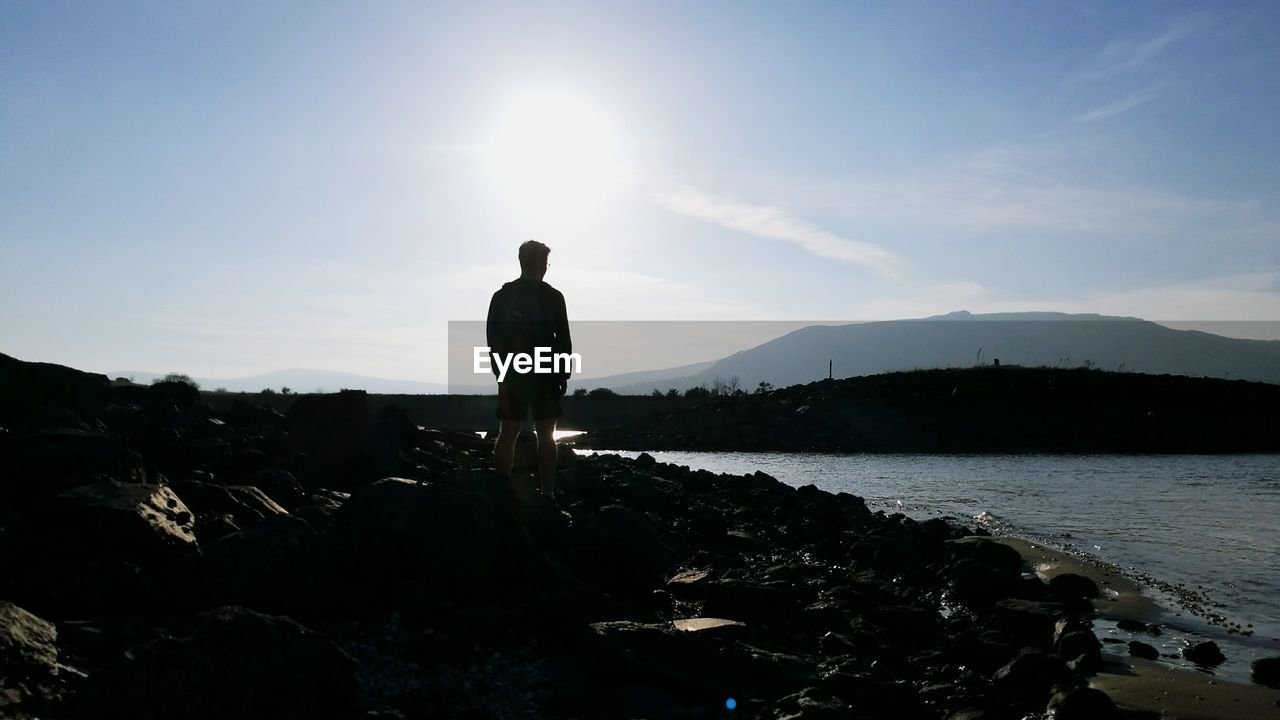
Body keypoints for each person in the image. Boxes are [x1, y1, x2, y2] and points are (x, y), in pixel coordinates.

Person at [486, 240, 571, 495]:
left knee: (509, 431)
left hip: (512, 370)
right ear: (544, 265)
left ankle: (502, 488)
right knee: (546, 434)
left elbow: (493, 336)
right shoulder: (554, 297)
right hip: (545, 370)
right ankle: (548, 494)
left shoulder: (502, 296)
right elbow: (564, 339)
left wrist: (499, 368)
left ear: (521, 261)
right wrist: (563, 372)